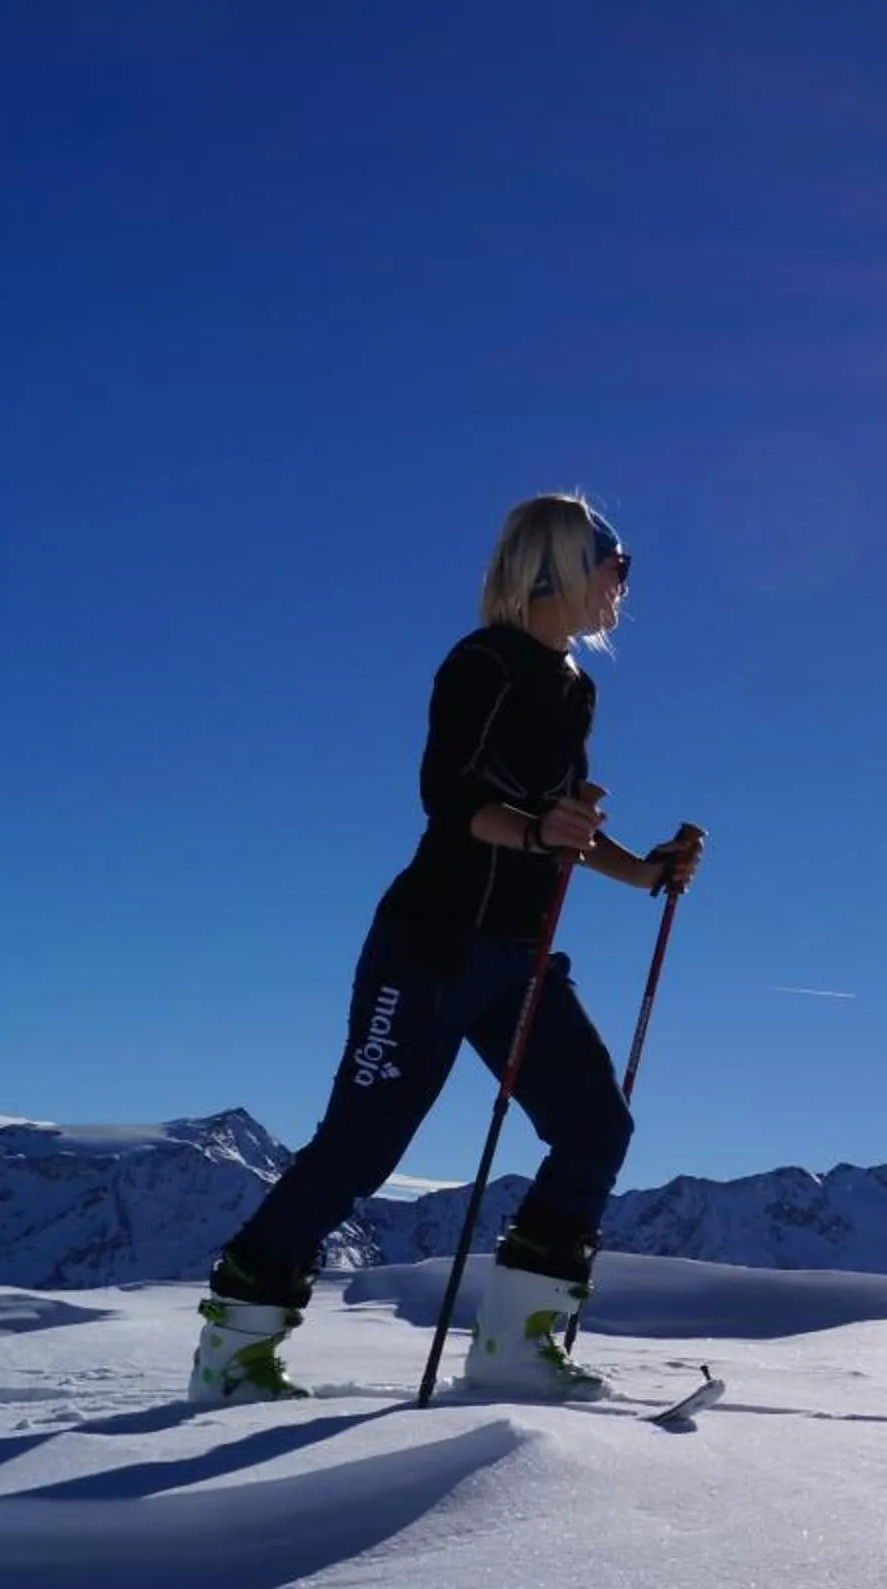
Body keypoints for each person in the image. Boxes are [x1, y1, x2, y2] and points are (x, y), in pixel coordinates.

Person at [189, 494, 706, 1404]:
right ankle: (232, 1357)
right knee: (361, 1145)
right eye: (619, 566)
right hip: (430, 944)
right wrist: (543, 832)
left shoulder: (576, 689)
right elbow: (448, 796)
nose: (625, 586)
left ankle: (515, 1351)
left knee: (595, 1127)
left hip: (519, 952)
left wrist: (646, 873)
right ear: (566, 565)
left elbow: (560, 828)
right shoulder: (483, 664)